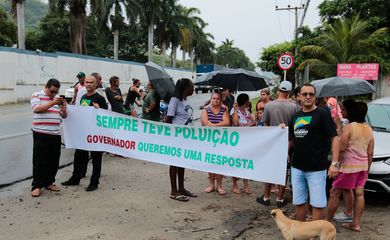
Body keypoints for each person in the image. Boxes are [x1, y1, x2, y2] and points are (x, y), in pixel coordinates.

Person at [288, 83, 340, 221]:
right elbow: (290, 139)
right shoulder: (295, 116)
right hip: (297, 167)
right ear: (299, 97)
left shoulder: (323, 114)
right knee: (299, 203)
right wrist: (281, 129)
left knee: (317, 204)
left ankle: (313, 235)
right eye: (305, 94)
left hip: (317, 169)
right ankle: (302, 233)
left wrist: (335, 163)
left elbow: (335, 138)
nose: (308, 97)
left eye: (311, 94)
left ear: (315, 97)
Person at [327, 101, 374, 232]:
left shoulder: (350, 127)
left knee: (334, 192)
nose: (341, 111)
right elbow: (370, 152)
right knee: (359, 194)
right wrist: (367, 169)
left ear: (350, 112)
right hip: (363, 167)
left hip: (348, 167)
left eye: (343, 109)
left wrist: (336, 166)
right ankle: (356, 224)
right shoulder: (368, 128)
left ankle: (328, 222)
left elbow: (341, 147)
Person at [62, 75, 108, 192]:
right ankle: (76, 178)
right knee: (79, 156)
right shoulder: (82, 97)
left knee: (96, 159)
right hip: (84, 133)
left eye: (91, 82)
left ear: (96, 84)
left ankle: (94, 182)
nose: (88, 84)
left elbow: (107, 116)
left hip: (96, 135)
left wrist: (99, 109)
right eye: (87, 82)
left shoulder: (100, 98)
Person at [257, 81, 299, 208]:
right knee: (283, 170)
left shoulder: (269, 105)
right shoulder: (294, 107)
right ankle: (280, 198)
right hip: (288, 142)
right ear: (289, 92)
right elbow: (296, 126)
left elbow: (265, 125)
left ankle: (266, 196)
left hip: (272, 142)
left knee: (269, 169)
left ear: (278, 90)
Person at [30, 79, 68, 197]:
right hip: (41, 133)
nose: (53, 94)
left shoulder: (57, 98)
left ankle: (49, 182)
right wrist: (53, 102)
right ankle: (36, 185)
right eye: (51, 91)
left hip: (55, 134)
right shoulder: (37, 95)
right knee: (39, 161)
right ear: (46, 86)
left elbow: (64, 116)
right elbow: (37, 109)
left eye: (55, 92)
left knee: (53, 161)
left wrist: (63, 109)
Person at [166, 78, 197, 202]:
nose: (193, 88)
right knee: (174, 162)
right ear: (185, 88)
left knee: (182, 162)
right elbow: (168, 120)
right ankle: (174, 191)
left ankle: (182, 188)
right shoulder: (175, 100)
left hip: (186, 137)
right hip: (176, 137)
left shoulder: (185, 100)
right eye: (191, 86)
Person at [200, 92, 230, 195]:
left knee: (220, 163)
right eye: (213, 98)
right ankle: (212, 184)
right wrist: (218, 125)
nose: (215, 100)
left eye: (217, 99)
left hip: (221, 141)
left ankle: (220, 185)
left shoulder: (224, 110)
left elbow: (227, 122)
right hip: (209, 141)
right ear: (211, 99)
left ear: (220, 100)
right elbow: (204, 122)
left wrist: (214, 125)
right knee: (211, 163)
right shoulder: (205, 110)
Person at [230, 93, 255, 194]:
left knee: (245, 162)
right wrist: (235, 110)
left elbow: (252, 122)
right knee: (235, 162)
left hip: (246, 139)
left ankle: (246, 185)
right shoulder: (234, 111)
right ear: (245, 101)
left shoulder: (246, 111)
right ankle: (235, 185)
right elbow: (236, 124)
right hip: (237, 140)